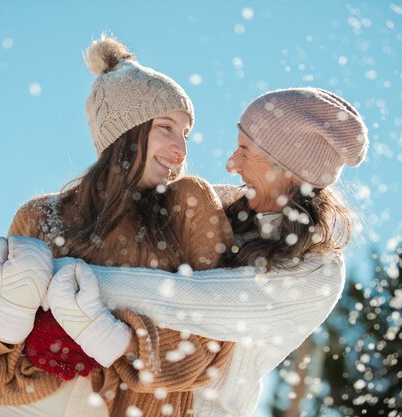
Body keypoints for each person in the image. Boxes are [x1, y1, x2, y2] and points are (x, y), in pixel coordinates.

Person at [37, 87, 369, 416]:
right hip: (120, 402)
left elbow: (186, 300)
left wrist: (62, 274)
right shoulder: (223, 205)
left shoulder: (316, 272)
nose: (231, 163)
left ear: (287, 168)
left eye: (245, 150)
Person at [0, 35, 236, 417]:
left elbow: (218, 332)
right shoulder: (41, 217)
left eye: (185, 134)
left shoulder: (186, 207)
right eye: (166, 127)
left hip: (128, 408)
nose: (182, 149)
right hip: (31, 405)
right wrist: (9, 308)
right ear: (124, 131)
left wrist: (116, 339)